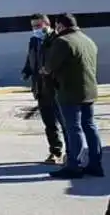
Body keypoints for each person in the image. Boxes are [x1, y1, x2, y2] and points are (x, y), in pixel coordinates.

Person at [44, 13, 104, 178]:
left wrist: (44, 70)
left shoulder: (62, 42)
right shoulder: (87, 40)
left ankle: (74, 166)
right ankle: (95, 164)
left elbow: (49, 67)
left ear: (60, 26)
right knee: (90, 126)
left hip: (70, 91)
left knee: (73, 128)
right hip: (89, 91)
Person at [22, 13, 66, 163]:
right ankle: (55, 151)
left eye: (38, 26)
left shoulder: (57, 40)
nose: (35, 29)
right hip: (40, 88)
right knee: (49, 124)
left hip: (56, 88)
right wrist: (27, 70)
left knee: (65, 122)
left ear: (47, 24)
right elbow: (31, 57)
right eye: (33, 26)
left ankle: (72, 152)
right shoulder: (34, 41)